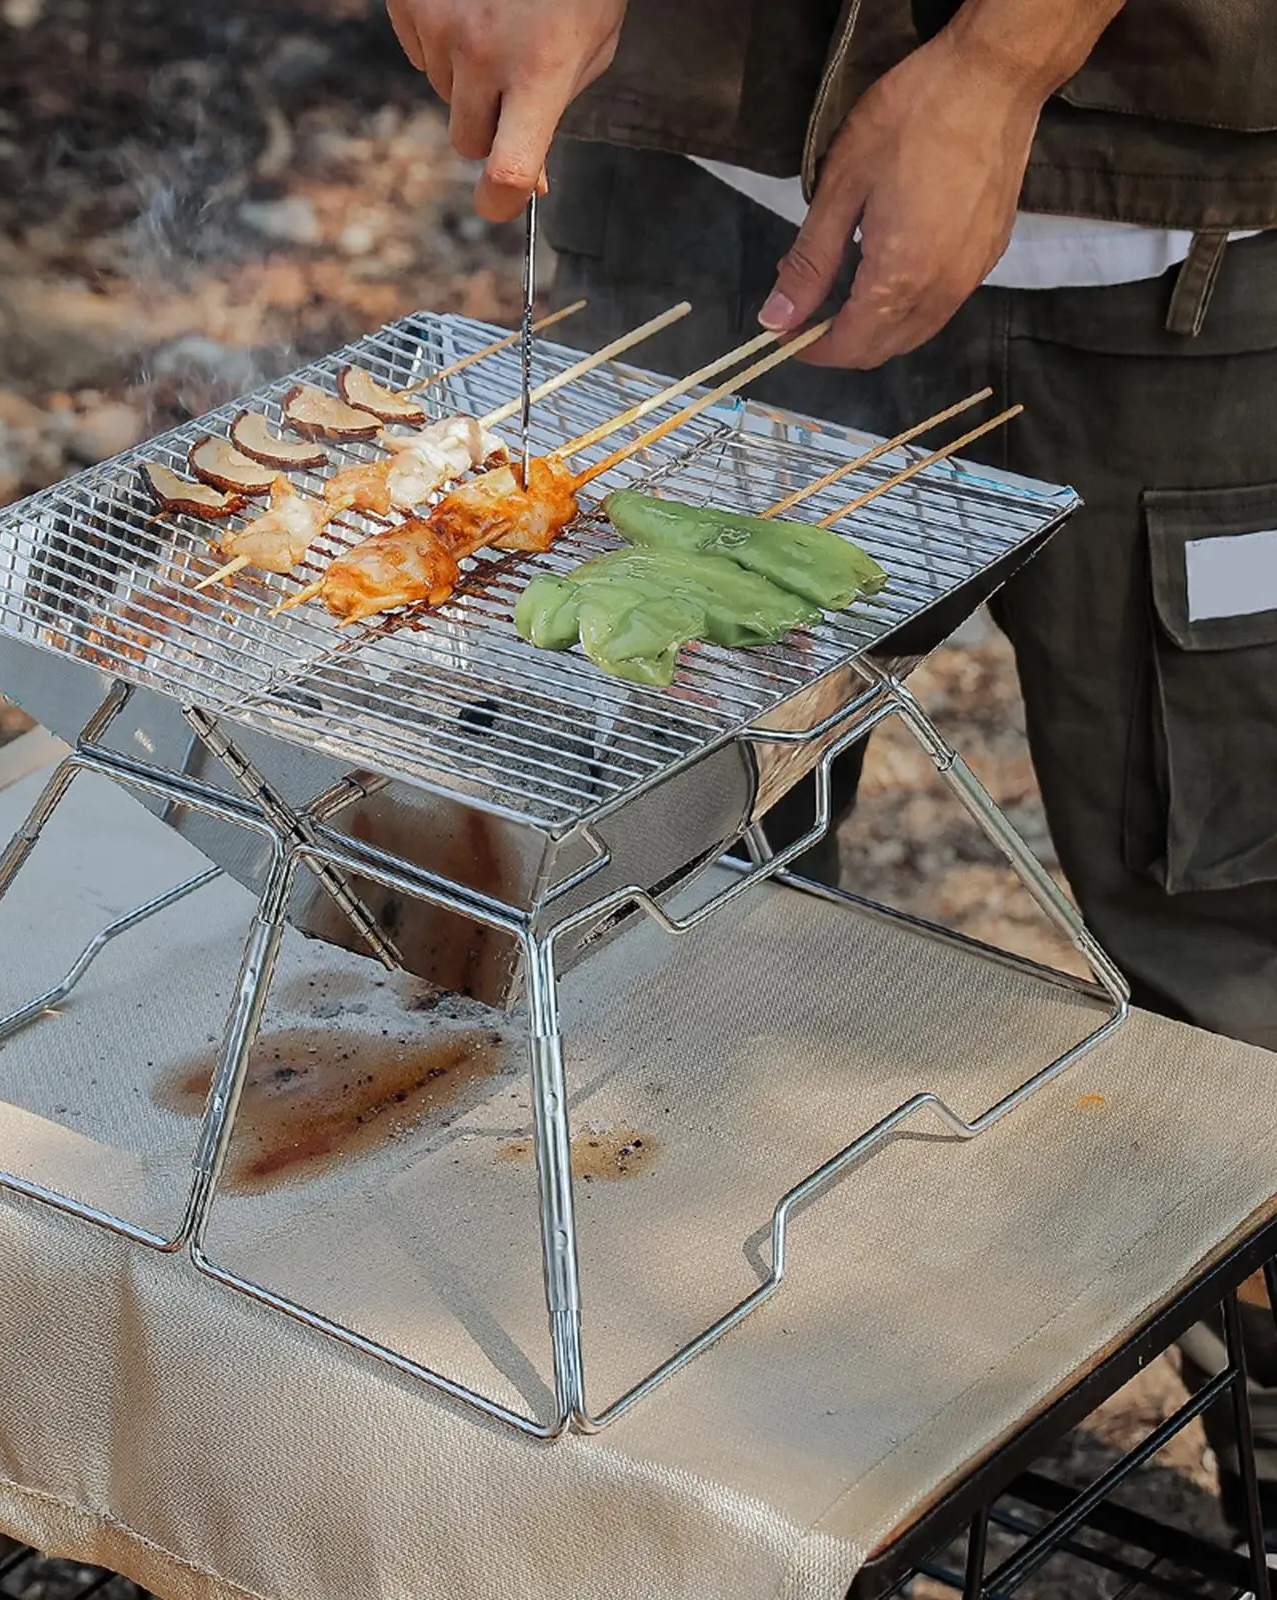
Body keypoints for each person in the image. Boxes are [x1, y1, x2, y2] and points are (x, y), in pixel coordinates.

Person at [386, 0, 1277, 1545]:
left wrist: (1004, 62)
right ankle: (697, 1509)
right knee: (649, 936)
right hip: (703, 207)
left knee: (1248, 959)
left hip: (1195, 257)